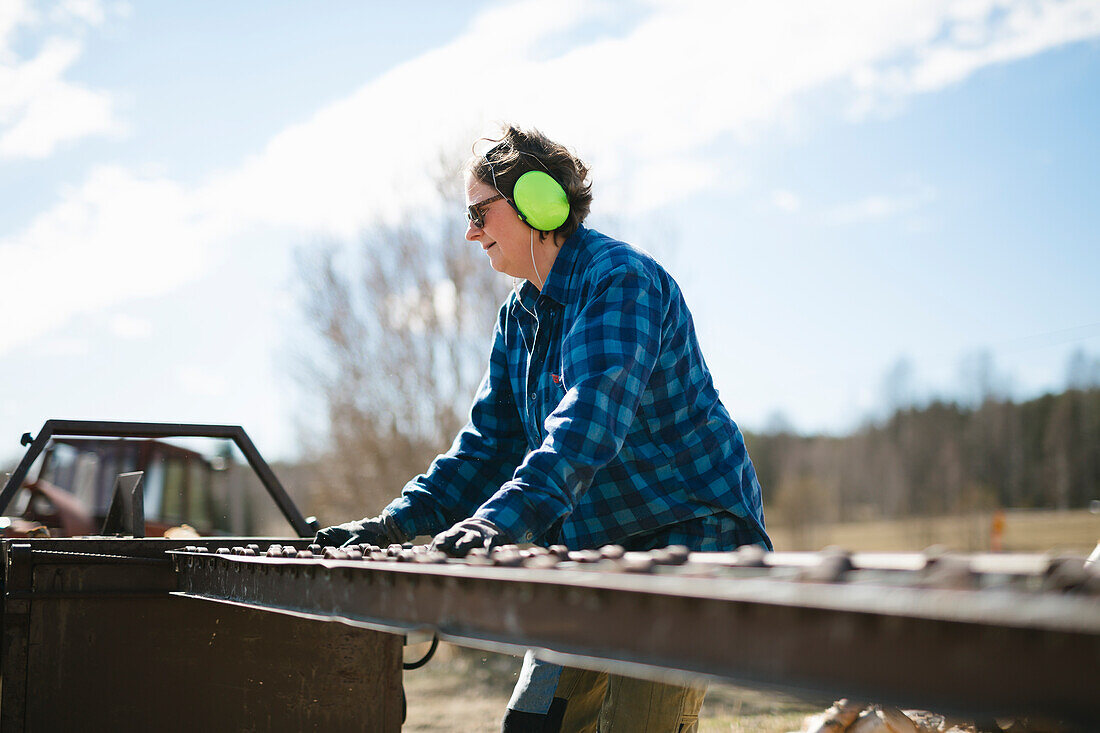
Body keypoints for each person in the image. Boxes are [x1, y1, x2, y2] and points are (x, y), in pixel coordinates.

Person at [316, 124, 772, 732]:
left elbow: (587, 423)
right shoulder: (518, 316)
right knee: (534, 725)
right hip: (593, 551)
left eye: (480, 212)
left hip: (684, 539)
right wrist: (391, 524)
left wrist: (492, 525)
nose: (470, 232)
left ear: (538, 203)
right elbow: (485, 449)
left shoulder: (619, 281)